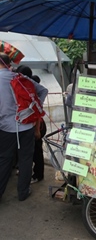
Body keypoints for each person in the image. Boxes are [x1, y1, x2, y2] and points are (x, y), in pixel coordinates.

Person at [0, 54, 48, 201]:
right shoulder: (20, 77)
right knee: (26, 159)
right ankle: (23, 192)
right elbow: (43, 91)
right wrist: (33, 108)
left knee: (4, 159)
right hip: (26, 125)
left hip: (6, 127)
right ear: (9, 63)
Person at [30, 75, 47, 183]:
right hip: (38, 125)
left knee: (37, 151)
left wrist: (36, 130)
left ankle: (38, 174)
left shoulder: (34, 96)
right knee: (34, 151)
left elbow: (37, 115)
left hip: (37, 125)